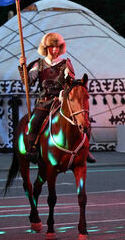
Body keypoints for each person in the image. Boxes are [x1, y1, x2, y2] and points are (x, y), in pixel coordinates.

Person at [18, 32, 95, 164]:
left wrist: (68, 79)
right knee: (34, 122)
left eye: (57, 47)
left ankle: (85, 149)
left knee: (82, 118)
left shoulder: (65, 64)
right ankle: (32, 150)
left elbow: (69, 81)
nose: (55, 50)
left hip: (61, 100)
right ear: (46, 48)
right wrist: (22, 67)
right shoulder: (38, 65)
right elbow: (28, 81)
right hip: (44, 101)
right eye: (52, 47)